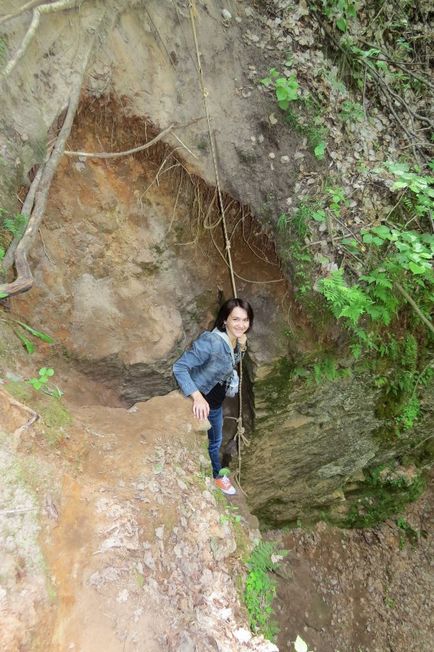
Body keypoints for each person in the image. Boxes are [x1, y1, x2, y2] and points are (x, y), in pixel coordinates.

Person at [173, 298, 254, 495]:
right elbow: (180, 367)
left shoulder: (236, 339)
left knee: (215, 441)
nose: (241, 325)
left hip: (216, 403)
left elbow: (229, 363)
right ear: (224, 320)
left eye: (245, 320)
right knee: (210, 442)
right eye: (235, 319)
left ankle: (215, 472)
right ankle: (217, 476)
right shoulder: (210, 342)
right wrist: (198, 397)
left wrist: (241, 347)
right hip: (200, 401)